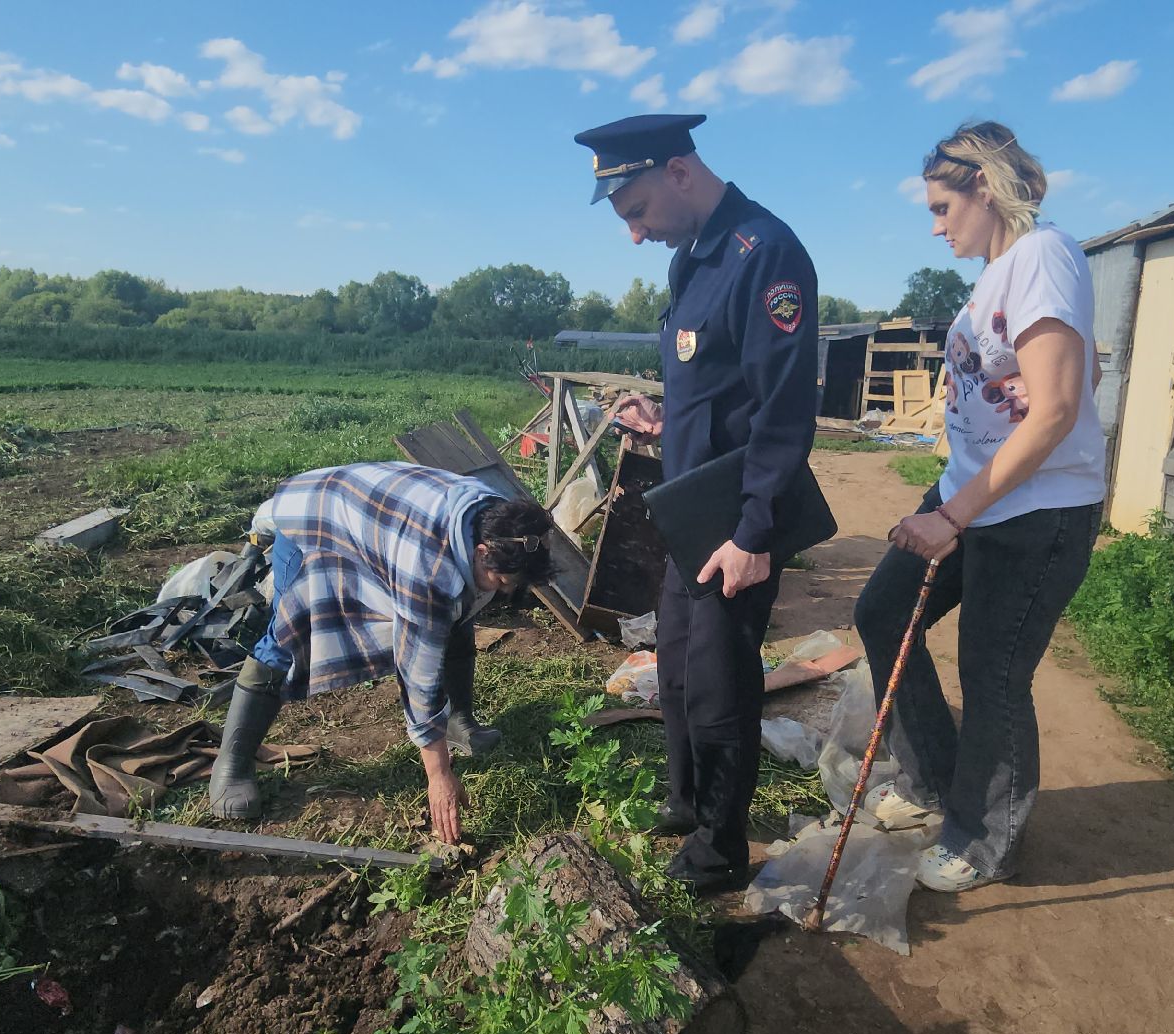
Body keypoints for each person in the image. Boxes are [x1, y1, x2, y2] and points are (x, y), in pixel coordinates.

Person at [854, 121, 1106, 893]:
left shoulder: (1042, 257)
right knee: (882, 613)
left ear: (985, 189)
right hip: (974, 493)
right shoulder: (1001, 270)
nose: (935, 226)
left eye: (941, 207)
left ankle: (981, 840)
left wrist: (950, 516)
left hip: (1035, 512)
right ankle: (933, 779)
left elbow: (1058, 407)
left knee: (992, 674)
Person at [573, 113, 819, 892]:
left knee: (719, 686)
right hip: (689, 513)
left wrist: (754, 532)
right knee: (675, 667)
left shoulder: (763, 254)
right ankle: (687, 803)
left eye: (636, 211)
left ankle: (720, 850)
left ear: (678, 171)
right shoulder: (693, 260)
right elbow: (711, 387)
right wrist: (660, 420)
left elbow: (781, 416)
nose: (636, 235)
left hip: (734, 521)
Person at [207, 461, 555, 846]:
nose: (505, 592)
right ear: (482, 550)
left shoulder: (502, 520)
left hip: (378, 516)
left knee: (456, 612)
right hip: (317, 519)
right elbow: (416, 674)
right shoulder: (429, 566)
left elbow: (453, 608)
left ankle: (458, 721)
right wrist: (438, 776)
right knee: (289, 634)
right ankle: (232, 764)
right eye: (502, 580)